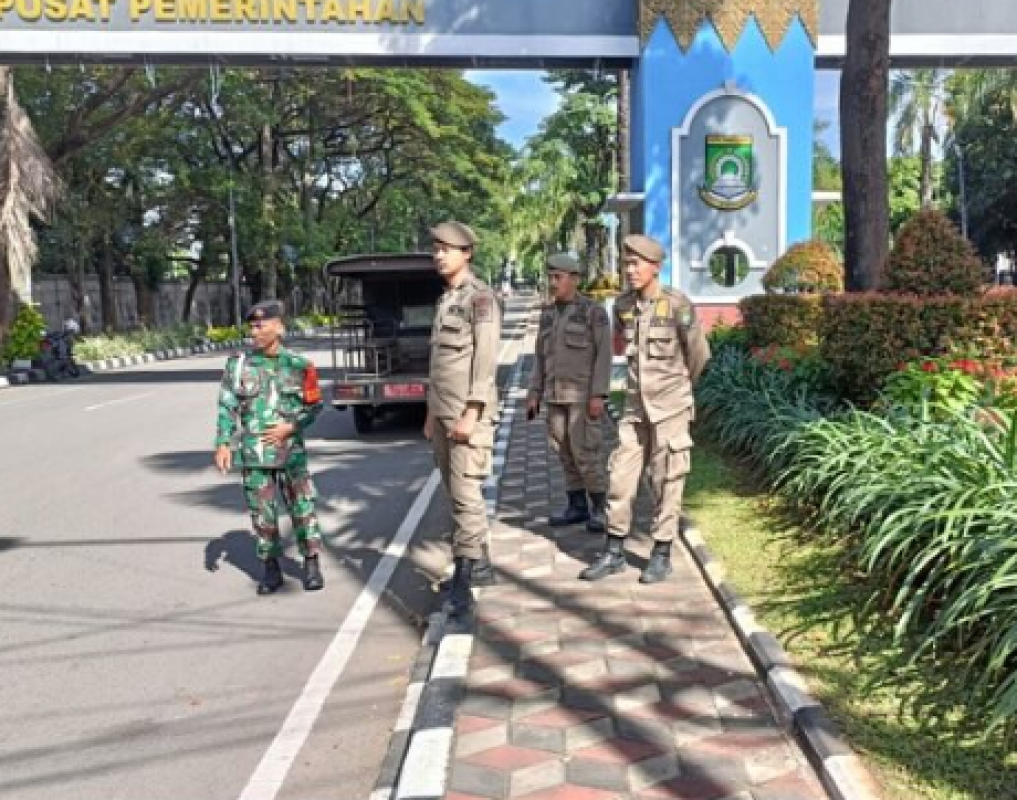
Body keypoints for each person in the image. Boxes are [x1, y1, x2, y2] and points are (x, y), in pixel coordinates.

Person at [580, 235, 711, 584]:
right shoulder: (623, 305)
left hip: (670, 409)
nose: (630, 270)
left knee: (667, 480)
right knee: (620, 478)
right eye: (627, 263)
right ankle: (614, 551)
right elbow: (625, 348)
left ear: (656, 267)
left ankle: (662, 553)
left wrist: (680, 391)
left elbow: (698, 356)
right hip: (635, 409)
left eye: (637, 264)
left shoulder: (678, 305)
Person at [214, 300, 326, 595]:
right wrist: (223, 443)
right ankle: (271, 569)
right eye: (252, 325)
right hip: (254, 454)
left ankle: (311, 562)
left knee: (302, 508)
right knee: (262, 514)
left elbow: (315, 406)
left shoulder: (301, 366)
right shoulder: (238, 365)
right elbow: (227, 406)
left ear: (279, 328)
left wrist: (292, 427)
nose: (255, 331)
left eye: (261, 325)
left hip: (290, 452)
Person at [424, 221, 500, 619]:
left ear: (466, 253)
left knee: (467, 495)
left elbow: (485, 364)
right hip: (442, 417)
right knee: (455, 495)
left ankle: (463, 583)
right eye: (436, 248)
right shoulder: (445, 301)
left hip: (467, 417)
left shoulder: (480, 299)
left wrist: (472, 413)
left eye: (447, 249)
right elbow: (438, 365)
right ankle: (481, 563)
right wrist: (429, 414)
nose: (439, 255)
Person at [526, 253, 612, 532]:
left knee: (586, 453)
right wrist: (534, 392)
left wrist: (598, 394)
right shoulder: (547, 314)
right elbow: (540, 357)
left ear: (574, 279)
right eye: (550, 277)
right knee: (564, 454)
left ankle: (601, 508)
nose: (553, 283)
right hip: (555, 396)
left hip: (582, 398)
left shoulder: (592, 312)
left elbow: (604, 356)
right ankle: (577, 507)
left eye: (558, 277)